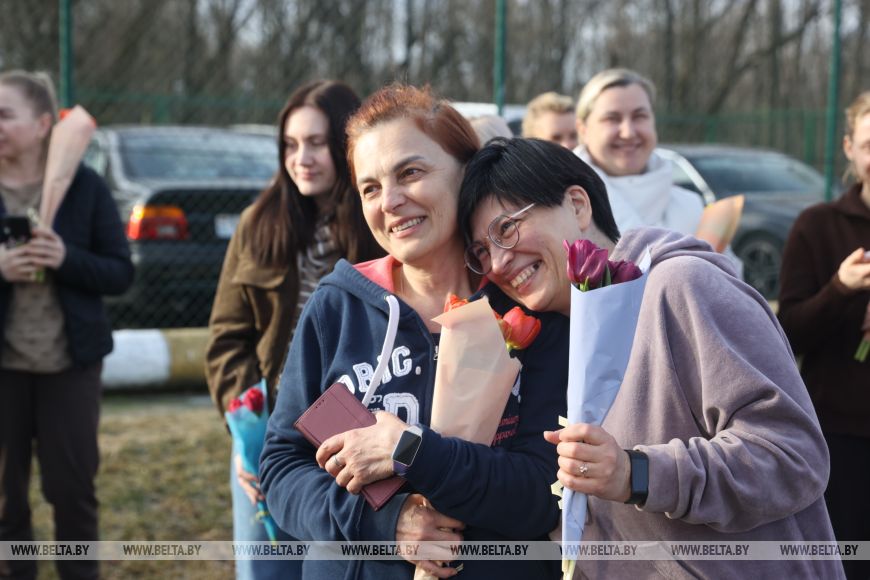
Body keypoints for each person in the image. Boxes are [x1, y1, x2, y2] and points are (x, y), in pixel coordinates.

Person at [457, 137, 844, 579]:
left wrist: (638, 474)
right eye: (481, 252)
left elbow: (794, 456)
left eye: (506, 229)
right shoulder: (551, 339)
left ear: (578, 206)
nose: (500, 262)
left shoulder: (683, 286)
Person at [260, 85, 567, 580]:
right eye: (370, 188)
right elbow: (281, 469)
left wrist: (413, 453)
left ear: (466, 172)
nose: (392, 202)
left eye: (411, 173)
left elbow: (543, 491)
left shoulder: (529, 308)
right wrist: (387, 524)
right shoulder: (338, 304)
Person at [205, 79, 383, 579]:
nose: (301, 157)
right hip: (271, 435)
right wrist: (250, 432)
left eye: (316, 143)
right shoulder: (257, 224)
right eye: (290, 144)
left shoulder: (380, 228)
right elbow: (226, 340)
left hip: (355, 438)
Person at [0, 70, 133, 580]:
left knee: (73, 496)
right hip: (5, 371)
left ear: (40, 124)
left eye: (5, 115)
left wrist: (66, 258)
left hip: (69, 369)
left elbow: (120, 272)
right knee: (6, 503)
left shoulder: (84, 186)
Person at [777, 91, 870, 580]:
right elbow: (787, 331)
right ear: (850, 148)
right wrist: (841, 288)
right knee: (848, 561)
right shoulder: (819, 226)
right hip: (841, 435)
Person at [574, 68, 704, 236]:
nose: (628, 132)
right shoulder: (559, 206)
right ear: (583, 129)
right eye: (612, 118)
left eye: (639, 116)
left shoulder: (691, 208)